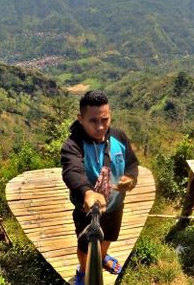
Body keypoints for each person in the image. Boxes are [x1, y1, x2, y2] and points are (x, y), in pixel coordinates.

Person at [61, 90, 138, 284]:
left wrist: (130, 178)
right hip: (86, 210)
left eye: (105, 119)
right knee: (85, 245)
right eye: (93, 121)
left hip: (115, 205)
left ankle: (102, 257)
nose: (100, 126)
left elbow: (132, 163)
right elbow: (72, 171)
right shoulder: (73, 145)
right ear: (81, 119)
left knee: (109, 236)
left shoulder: (119, 137)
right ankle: (84, 271)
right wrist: (87, 192)